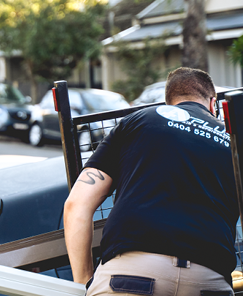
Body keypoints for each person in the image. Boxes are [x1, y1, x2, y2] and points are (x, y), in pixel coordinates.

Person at [64, 67, 238, 296]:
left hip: (131, 275)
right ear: (213, 104)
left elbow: (76, 205)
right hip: (208, 280)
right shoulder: (233, 141)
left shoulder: (137, 122)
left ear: (168, 101)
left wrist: (83, 282)